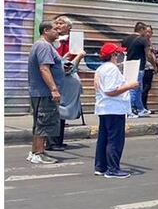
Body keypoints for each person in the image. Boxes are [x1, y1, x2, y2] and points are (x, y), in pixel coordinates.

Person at [93, 43, 139, 178]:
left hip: (105, 108)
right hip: (114, 108)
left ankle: (101, 166)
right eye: (119, 54)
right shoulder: (111, 69)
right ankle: (113, 168)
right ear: (113, 55)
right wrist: (129, 86)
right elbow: (110, 91)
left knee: (104, 138)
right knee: (115, 140)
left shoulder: (101, 68)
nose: (121, 56)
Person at [27, 21, 64, 165]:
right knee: (44, 122)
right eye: (55, 29)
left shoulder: (41, 45)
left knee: (39, 123)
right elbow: (44, 69)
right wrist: (53, 89)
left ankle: (35, 151)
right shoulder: (44, 46)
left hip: (40, 91)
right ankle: (39, 153)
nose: (58, 32)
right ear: (46, 31)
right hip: (44, 92)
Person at [49, 15, 85, 151]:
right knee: (56, 110)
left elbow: (70, 63)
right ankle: (52, 142)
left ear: (69, 27)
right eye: (56, 23)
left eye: (61, 23)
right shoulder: (53, 42)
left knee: (62, 110)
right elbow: (64, 65)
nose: (58, 25)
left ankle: (58, 140)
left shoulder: (72, 41)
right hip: (57, 77)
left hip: (66, 79)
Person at [124, 22, 151, 117]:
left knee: (138, 89)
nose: (146, 33)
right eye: (145, 30)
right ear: (141, 30)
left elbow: (122, 53)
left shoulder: (126, 39)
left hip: (127, 66)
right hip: (138, 67)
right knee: (134, 89)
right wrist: (155, 65)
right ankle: (129, 110)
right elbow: (148, 54)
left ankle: (140, 109)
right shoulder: (143, 40)